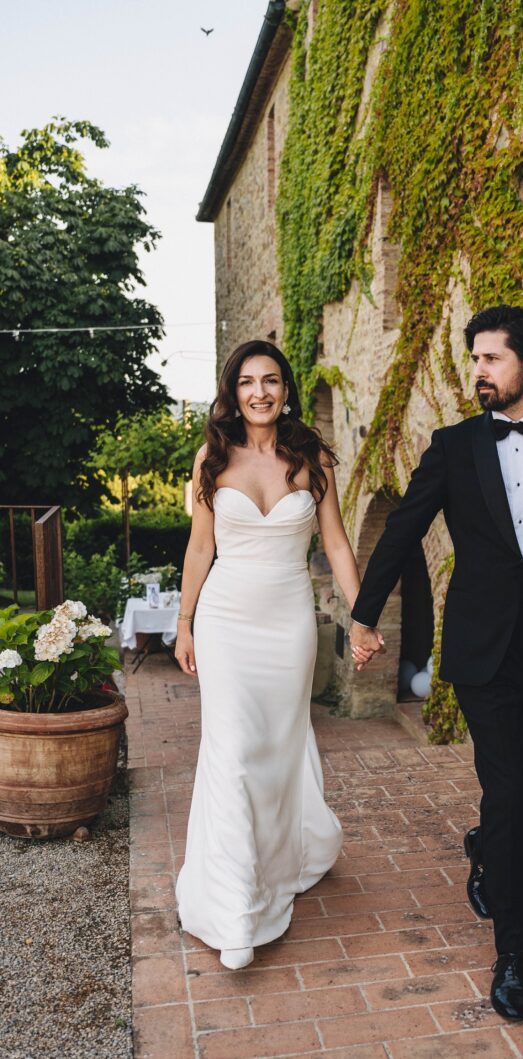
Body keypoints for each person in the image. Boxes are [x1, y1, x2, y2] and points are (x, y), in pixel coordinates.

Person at [350, 305, 523, 1021]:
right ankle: (513, 956)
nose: (478, 372)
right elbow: (404, 530)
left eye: (491, 359)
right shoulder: (453, 446)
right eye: (473, 359)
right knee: (508, 792)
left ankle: (484, 846)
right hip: (478, 650)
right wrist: (363, 614)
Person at [174, 340, 373, 970]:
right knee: (232, 751)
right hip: (226, 621)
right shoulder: (213, 457)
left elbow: (337, 545)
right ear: (233, 392)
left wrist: (360, 615)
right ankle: (235, 910)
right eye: (247, 382)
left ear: (286, 389)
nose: (260, 392)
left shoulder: (311, 457)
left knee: (278, 748)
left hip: (288, 624)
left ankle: (285, 856)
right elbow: (200, 550)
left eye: (272, 381)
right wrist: (184, 625)